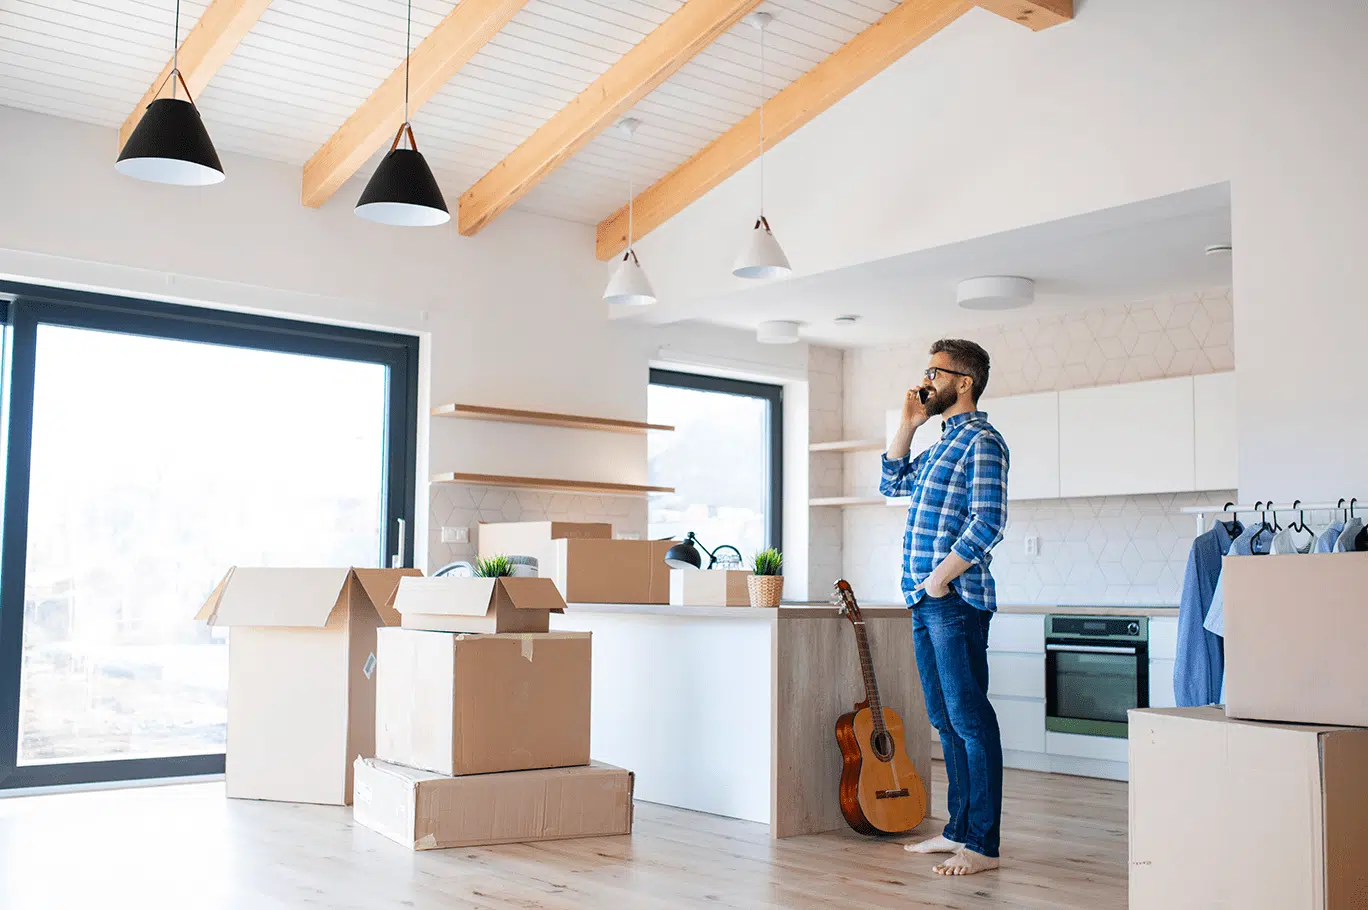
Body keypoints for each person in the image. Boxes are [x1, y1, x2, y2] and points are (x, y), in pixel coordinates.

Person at [880, 339, 1009, 877]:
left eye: (936, 372)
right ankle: (957, 830)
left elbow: (989, 521)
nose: (926, 381)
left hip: (952, 599)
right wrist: (908, 424)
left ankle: (982, 844)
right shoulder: (941, 445)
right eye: (925, 371)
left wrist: (938, 581)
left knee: (970, 720)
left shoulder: (983, 442)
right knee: (944, 720)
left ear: (965, 382)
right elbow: (891, 483)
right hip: (923, 599)